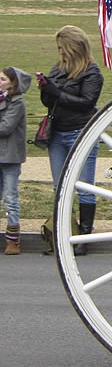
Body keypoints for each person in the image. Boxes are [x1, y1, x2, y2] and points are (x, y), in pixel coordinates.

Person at [40, 26, 104, 255]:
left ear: (73, 47)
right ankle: (64, 232)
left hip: (80, 132)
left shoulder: (92, 73)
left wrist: (56, 93)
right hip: (57, 133)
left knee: (84, 187)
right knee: (59, 187)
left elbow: (87, 102)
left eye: (62, 48)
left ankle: (84, 238)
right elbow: (50, 103)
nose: (60, 53)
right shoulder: (58, 69)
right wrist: (45, 91)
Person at [0, 67, 30, 255]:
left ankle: (13, 240)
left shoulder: (17, 104)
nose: (0, 82)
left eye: (3, 79)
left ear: (13, 83)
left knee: (10, 198)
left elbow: (6, 127)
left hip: (10, 157)